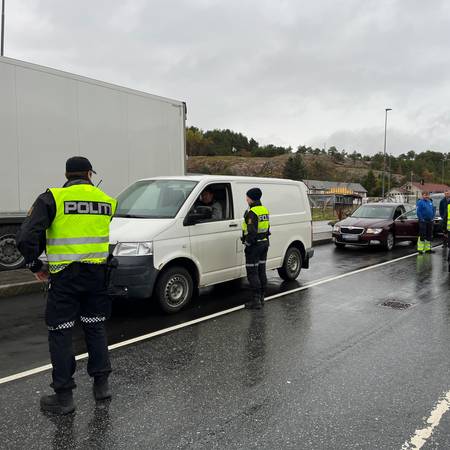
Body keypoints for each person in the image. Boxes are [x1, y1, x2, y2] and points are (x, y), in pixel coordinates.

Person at [16, 156, 117, 415]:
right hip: (97, 275)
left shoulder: (52, 198)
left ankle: (64, 397)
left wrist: (35, 266)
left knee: (60, 332)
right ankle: (102, 387)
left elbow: (27, 237)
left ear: (66, 174)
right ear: (89, 174)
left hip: (64, 276)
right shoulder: (107, 201)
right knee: (95, 327)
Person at [241, 188, 270, 310]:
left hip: (255, 246)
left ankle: (256, 300)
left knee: (252, 273)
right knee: (261, 270)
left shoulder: (252, 212)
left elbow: (251, 232)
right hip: (264, 243)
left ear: (251, 198)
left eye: (247, 197)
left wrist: (247, 243)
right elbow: (267, 228)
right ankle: (262, 297)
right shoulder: (264, 210)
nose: (246, 199)